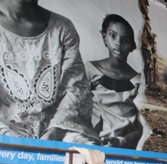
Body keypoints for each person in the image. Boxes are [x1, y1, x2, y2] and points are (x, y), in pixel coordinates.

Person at [0, 0, 98, 143]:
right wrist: (9, 136)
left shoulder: (62, 29)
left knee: (81, 155)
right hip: (4, 128)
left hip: (56, 127)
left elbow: (75, 87)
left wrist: (55, 130)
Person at [86, 14, 143, 149]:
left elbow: (142, 126)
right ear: (104, 37)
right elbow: (76, 112)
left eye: (125, 40)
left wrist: (121, 142)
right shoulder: (89, 70)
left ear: (132, 47)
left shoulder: (139, 82)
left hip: (124, 148)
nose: (118, 43)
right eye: (113, 36)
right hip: (91, 145)